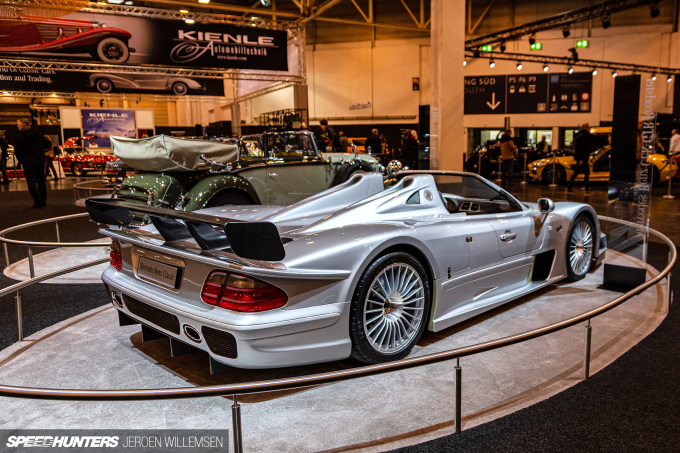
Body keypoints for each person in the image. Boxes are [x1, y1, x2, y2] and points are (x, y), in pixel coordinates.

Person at [14, 118, 51, 207]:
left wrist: (21, 160)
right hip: (40, 160)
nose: (17, 126)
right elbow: (48, 144)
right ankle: (43, 200)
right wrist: (40, 149)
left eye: (18, 125)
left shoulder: (19, 137)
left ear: (22, 126)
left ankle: (37, 201)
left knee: (31, 182)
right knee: (41, 180)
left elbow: (18, 151)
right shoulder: (37, 134)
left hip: (28, 162)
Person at [566, 123, 593, 194]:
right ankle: (585, 188)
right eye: (588, 128)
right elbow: (581, 148)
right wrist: (581, 159)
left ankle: (570, 187)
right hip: (583, 158)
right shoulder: (582, 137)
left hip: (583, 158)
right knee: (582, 172)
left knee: (580, 172)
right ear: (586, 128)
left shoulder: (581, 136)